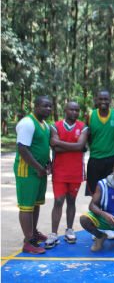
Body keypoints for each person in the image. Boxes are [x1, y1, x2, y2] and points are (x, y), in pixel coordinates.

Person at [45, 101, 89, 249]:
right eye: (71, 109)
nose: (74, 112)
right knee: (58, 201)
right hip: (59, 171)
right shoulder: (54, 126)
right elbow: (56, 148)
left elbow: (60, 146)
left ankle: (69, 230)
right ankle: (53, 234)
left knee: (71, 200)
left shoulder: (83, 127)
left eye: (77, 110)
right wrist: (77, 147)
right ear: (65, 110)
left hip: (76, 171)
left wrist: (59, 143)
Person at [14, 96, 52, 254]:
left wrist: (48, 163)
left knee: (35, 203)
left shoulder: (45, 125)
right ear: (35, 106)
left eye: (50, 107)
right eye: (44, 106)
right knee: (26, 205)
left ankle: (33, 233)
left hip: (39, 170)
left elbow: (42, 147)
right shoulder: (27, 123)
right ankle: (28, 241)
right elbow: (23, 149)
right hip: (27, 170)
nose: (48, 109)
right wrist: (39, 167)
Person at [86, 89, 114, 240]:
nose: (103, 101)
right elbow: (87, 136)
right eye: (100, 99)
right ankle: (99, 226)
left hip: (111, 161)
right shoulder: (90, 115)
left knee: (111, 195)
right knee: (96, 195)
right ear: (96, 99)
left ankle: (110, 226)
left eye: (106, 99)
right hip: (95, 160)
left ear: (110, 100)